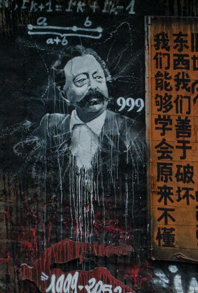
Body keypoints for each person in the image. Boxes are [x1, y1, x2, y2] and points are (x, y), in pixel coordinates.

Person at [18, 46, 145, 246]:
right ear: (64, 94)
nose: (93, 87)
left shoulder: (132, 134)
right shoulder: (50, 127)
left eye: (98, 78)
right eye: (81, 81)